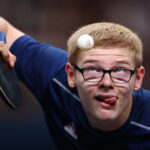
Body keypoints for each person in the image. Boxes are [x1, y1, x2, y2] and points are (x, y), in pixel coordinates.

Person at [0, 17, 150, 150]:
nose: (106, 82)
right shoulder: (54, 76)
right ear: (71, 75)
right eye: (93, 69)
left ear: (137, 79)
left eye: (119, 71)